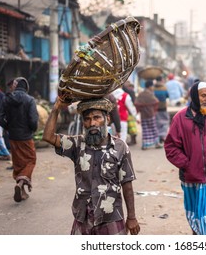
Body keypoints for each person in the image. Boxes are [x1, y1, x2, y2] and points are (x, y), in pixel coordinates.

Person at [42, 97, 140, 235]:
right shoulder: (77, 144)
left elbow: (127, 184)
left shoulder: (120, 147)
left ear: (107, 119)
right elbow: (48, 137)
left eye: (97, 117)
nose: (92, 123)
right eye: (87, 119)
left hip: (110, 215)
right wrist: (56, 108)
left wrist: (132, 217)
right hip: (83, 215)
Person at [164, 81, 206, 235]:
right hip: (191, 178)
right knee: (194, 218)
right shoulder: (181, 118)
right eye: (203, 96)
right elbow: (171, 146)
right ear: (194, 96)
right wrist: (187, 164)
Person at [0, 77, 38, 202]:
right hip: (26, 136)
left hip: (13, 136)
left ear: (16, 86)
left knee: (18, 162)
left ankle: (21, 188)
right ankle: (21, 183)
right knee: (31, 160)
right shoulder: (30, 100)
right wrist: (32, 129)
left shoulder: (6, 99)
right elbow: (33, 120)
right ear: (26, 87)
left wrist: (8, 127)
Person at [134, 80, 162, 150]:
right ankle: (157, 143)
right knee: (153, 129)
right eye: (152, 86)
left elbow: (136, 103)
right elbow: (156, 101)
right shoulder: (150, 94)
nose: (153, 87)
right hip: (151, 114)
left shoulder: (141, 94)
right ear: (149, 86)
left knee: (145, 130)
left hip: (143, 115)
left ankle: (145, 145)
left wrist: (141, 108)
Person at [153, 76, 170, 143]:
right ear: (161, 80)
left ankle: (157, 136)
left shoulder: (153, 88)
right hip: (163, 107)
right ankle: (162, 136)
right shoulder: (164, 88)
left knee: (157, 122)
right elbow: (167, 95)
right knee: (165, 121)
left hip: (156, 107)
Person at [122, 81, 138, 145]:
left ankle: (133, 140)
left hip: (130, 112)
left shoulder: (130, 92)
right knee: (132, 127)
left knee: (131, 127)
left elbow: (132, 102)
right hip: (130, 111)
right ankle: (133, 140)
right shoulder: (131, 91)